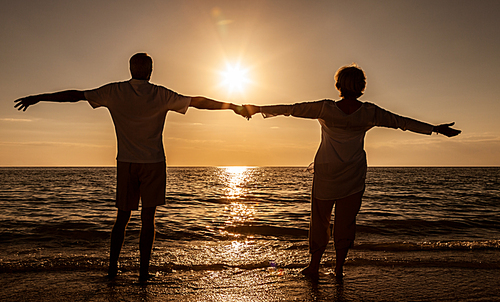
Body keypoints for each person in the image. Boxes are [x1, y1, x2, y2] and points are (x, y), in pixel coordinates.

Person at [15, 53, 250, 281]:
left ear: (130, 69)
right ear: (150, 70)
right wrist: (232, 107)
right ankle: (143, 272)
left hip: (126, 162)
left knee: (122, 218)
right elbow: (198, 102)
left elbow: (75, 95)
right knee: (149, 220)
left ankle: (112, 268)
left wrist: (40, 97)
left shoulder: (114, 91)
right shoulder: (160, 94)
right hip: (154, 163)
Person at [244, 64, 461, 280]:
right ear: (361, 87)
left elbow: (291, 109)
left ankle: (314, 266)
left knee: (320, 220)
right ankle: (338, 268)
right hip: (353, 174)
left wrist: (257, 109)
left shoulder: (325, 108)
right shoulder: (369, 112)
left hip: (327, 173)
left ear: (338, 85)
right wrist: (434, 129)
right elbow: (402, 123)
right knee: (345, 222)